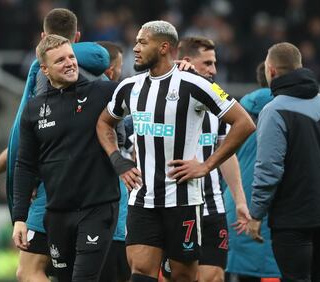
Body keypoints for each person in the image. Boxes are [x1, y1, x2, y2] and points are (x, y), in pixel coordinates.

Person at [96, 20, 256, 282]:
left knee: (183, 276)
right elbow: (104, 122)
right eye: (135, 41)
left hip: (183, 201)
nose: (135, 48)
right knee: (141, 273)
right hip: (143, 200)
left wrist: (207, 165)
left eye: (142, 42)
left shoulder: (195, 84)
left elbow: (244, 123)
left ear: (163, 47)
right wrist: (118, 161)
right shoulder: (129, 87)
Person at [0, 8, 110, 282]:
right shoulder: (107, 81)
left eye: (69, 56)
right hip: (100, 196)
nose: (68, 63)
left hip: (55, 192)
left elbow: (27, 144)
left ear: (43, 38)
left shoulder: (41, 77)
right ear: (78, 35)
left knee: (29, 271)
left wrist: (13, 186)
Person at [12, 34, 120, 282]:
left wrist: (179, 70)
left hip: (98, 207)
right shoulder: (34, 109)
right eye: (60, 60)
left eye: (71, 57)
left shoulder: (103, 92)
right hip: (57, 214)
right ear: (45, 69)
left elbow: (147, 89)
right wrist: (20, 218)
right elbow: (25, 164)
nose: (70, 63)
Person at [161, 36, 250, 282]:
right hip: (175, 204)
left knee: (213, 277)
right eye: (208, 63)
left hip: (212, 205)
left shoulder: (219, 103)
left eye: (215, 63)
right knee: (182, 276)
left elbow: (225, 154)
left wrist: (240, 200)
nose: (214, 70)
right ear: (187, 61)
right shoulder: (163, 94)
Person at [247, 42, 320, 281]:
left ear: (270, 71)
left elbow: (269, 169)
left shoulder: (274, 111)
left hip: (292, 220)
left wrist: (256, 213)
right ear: (300, 67)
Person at [224, 62, 280, 282]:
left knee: (231, 268)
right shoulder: (291, 111)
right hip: (272, 205)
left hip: (237, 200)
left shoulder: (236, 111)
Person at [97, 41, 132, 282]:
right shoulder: (111, 101)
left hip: (86, 222)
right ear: (110, 71)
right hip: (115, 227)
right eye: (119, 67)